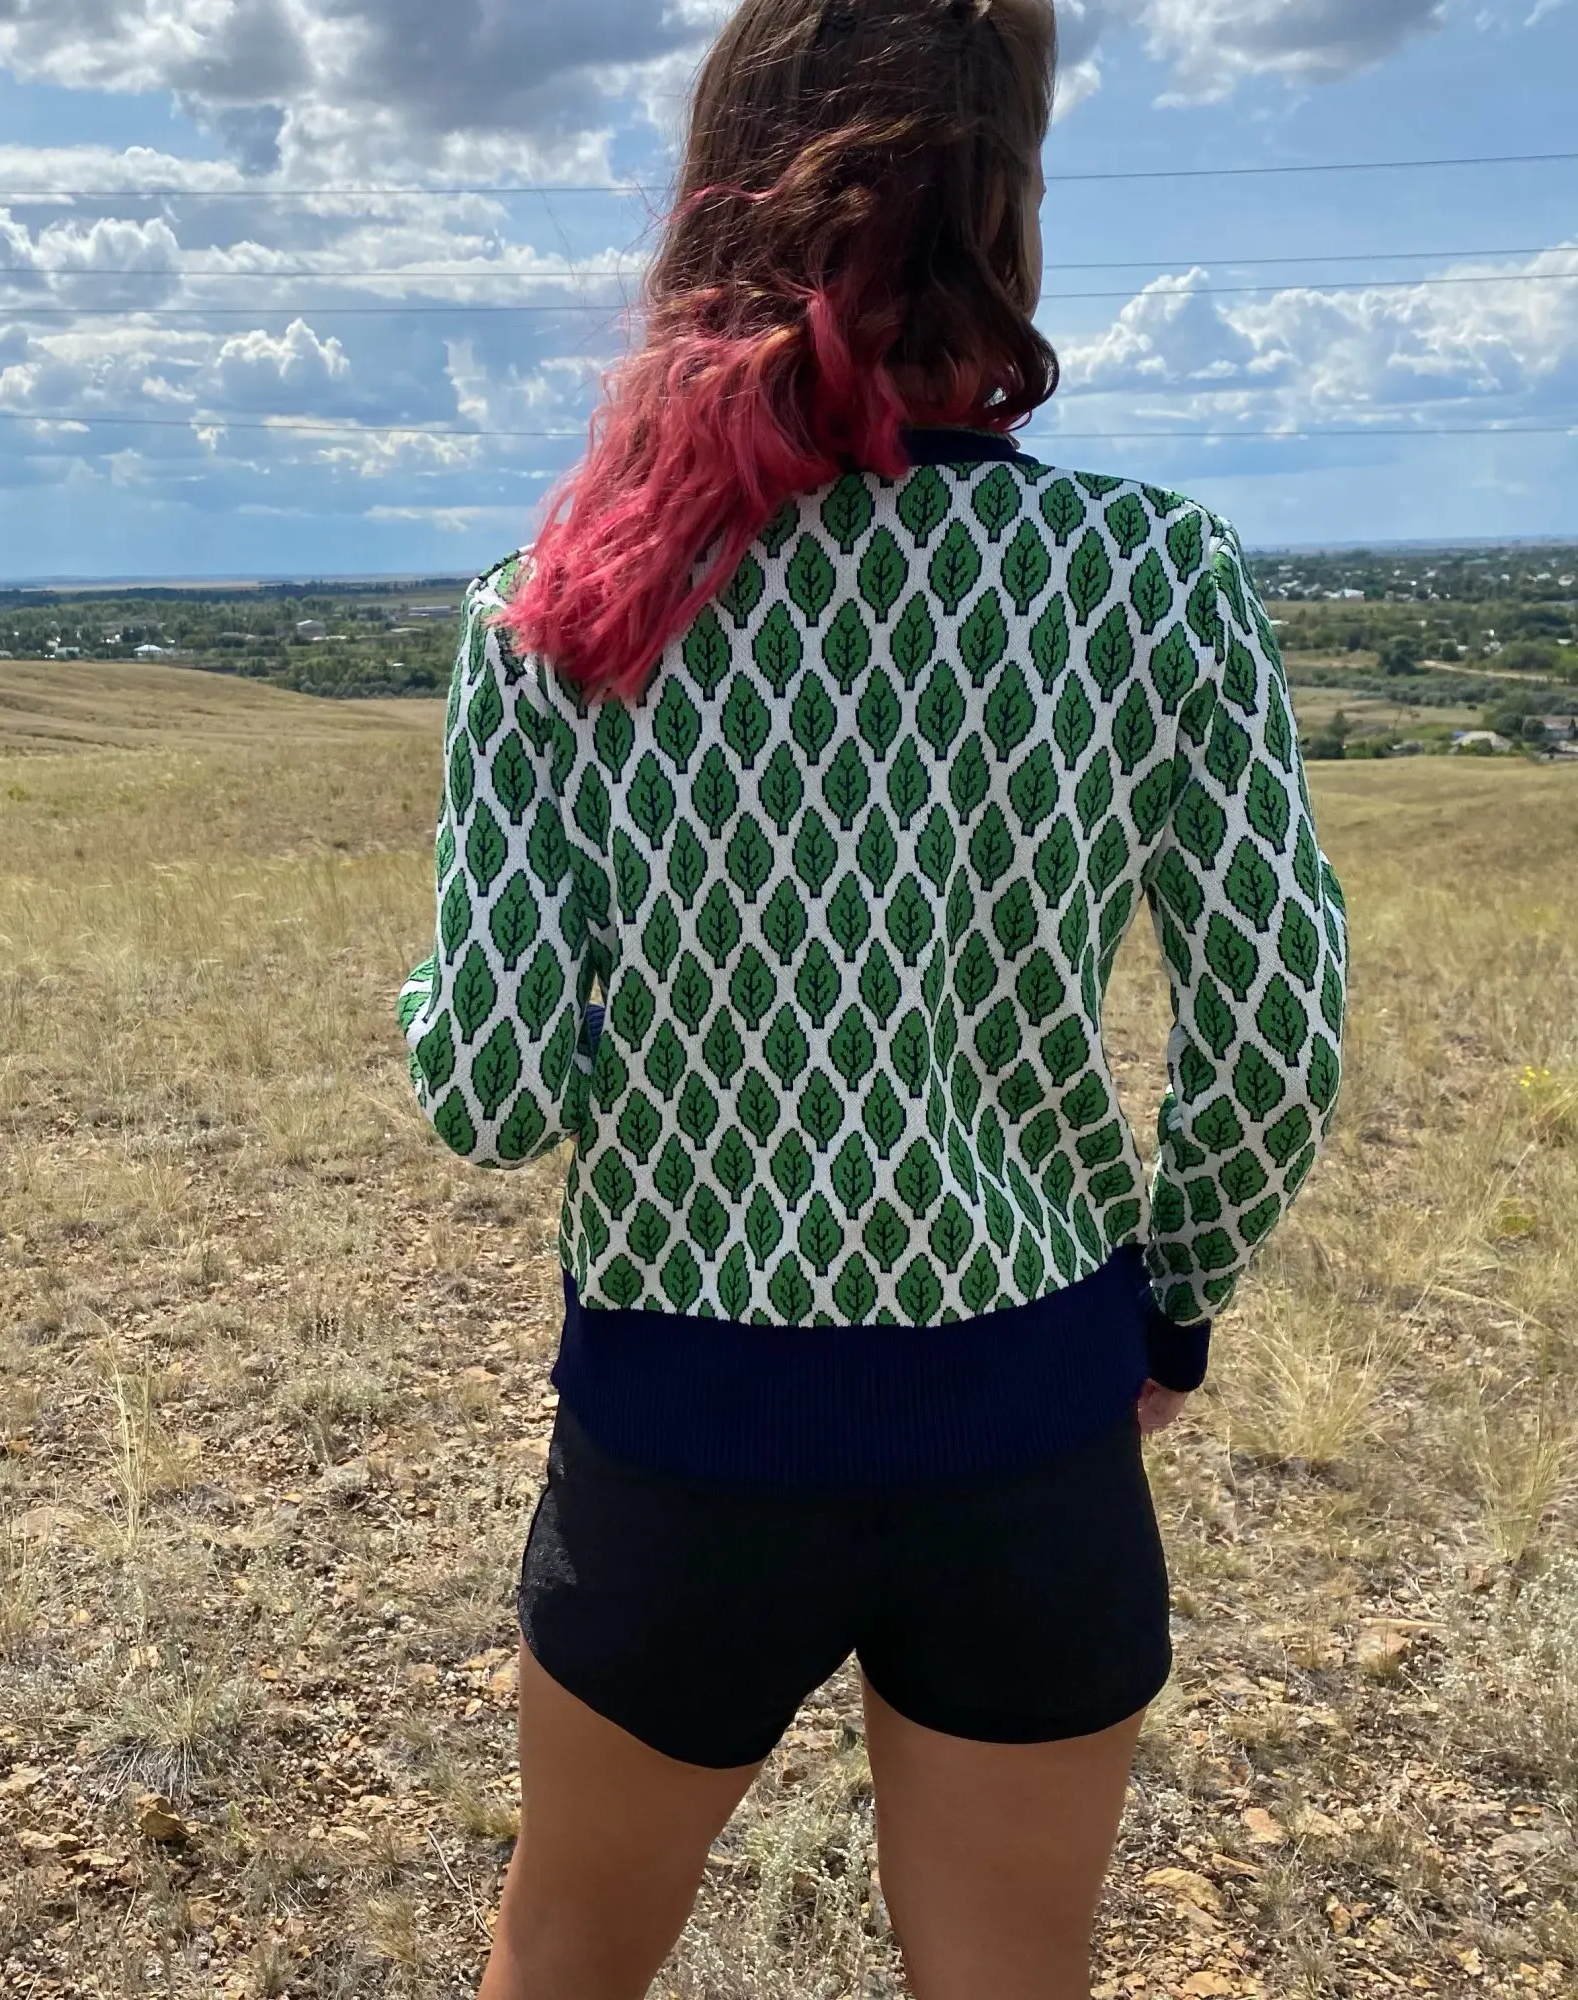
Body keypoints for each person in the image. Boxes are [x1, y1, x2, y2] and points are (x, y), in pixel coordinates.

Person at [396, 0, 1349, 1992]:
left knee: (562, 1959)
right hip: (1030, 1420)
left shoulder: (560, 601)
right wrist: (1172, 1298)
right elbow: (1272, 1029)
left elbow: (489, 1088)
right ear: (1003, 212)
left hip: (681, 1433)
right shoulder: (1153, 572)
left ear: (716, 201)